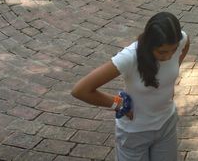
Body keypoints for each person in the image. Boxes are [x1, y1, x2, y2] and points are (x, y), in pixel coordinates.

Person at [71, 12, 190, 161]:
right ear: (150, 44)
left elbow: (186, 43)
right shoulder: (130, 56)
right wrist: (117, 103)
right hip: (134, 132)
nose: (168, 56)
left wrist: (171, 76)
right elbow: (80, 90)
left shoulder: (180, 40)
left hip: (167, 125)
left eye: (173, 50)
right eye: (162, 52)